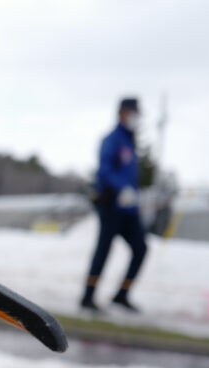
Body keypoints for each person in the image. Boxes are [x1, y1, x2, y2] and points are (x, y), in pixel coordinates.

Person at [81, 97, 148, 313]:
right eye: (133, 113)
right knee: (104, 250)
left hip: (129, 209)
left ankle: (122, 294)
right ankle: (88, 296)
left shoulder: (131, 141)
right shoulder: (112, 139)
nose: (135, 118)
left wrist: (136, 196)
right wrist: (122, 189)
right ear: (122, 113)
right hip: (111, 206)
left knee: (141, 248)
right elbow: (105, 170)